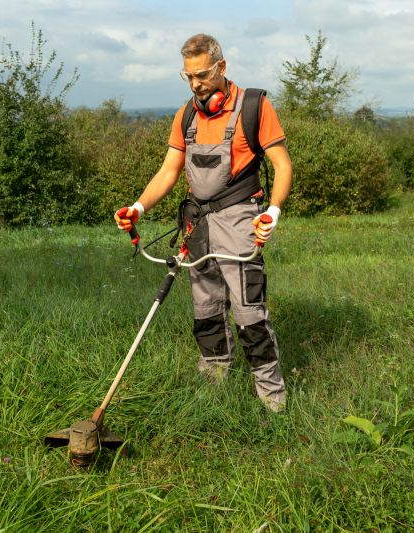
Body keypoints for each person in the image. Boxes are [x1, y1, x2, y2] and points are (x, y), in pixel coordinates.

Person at [115, 34, 292, 412]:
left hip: (240, 217)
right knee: (206, 308)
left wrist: (272, 212)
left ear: (221, 67)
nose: (196, 83)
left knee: (249, 313)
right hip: (198, 223)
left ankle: (272, 398)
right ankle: (214, 382)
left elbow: (282, 165)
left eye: (202, 74)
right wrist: (138, 207)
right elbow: (169, 171)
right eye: (188, 76)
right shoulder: (187, 115)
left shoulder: (254, 107)